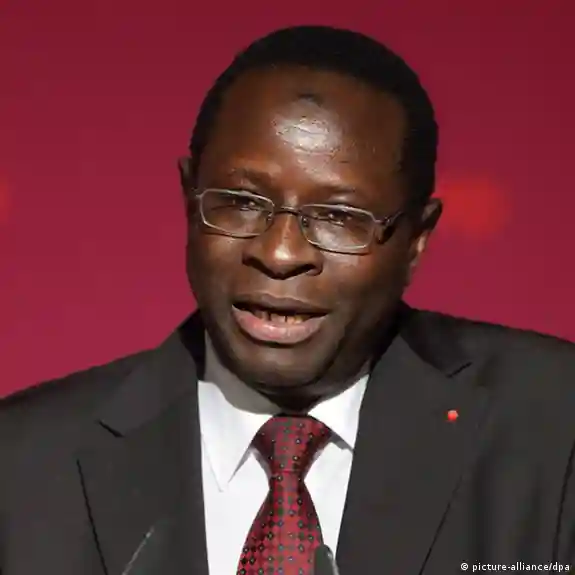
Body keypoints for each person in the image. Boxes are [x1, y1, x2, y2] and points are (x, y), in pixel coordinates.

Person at [0, 25, 574, 575]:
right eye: (241, 202)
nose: (279, 254)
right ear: (188, 200)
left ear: (417, 239)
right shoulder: (22, 466)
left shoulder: (553, 429)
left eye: (338, 217)